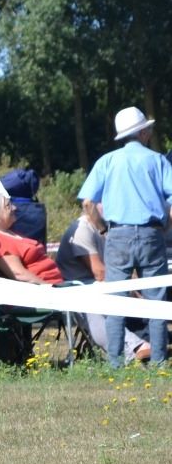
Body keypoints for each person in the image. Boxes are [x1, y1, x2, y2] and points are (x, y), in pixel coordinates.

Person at [78, 106, 172, 369]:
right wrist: (164, 227)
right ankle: (159, 362)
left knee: (115, 300)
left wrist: (104, 230)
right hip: (152, 234)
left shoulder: (106, 161)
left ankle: (116, 363)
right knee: (156, 299)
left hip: (117, 235)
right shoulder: (157, 160)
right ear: (142, 132)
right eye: (149, 129)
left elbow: (88, 203)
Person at [55, 206, 151, 364]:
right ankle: (133, 349)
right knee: (95, 309)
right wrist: (129, 287)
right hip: (77, 289)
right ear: (90, 206)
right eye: (103, 202)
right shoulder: (82, 231)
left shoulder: (101, 230)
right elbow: (99, 271)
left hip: (96, 286)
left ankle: (146, 343)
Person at [0, 191, 63, 285]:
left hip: (55, 284)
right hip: (44, 289)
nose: (14, 208)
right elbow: (18, 274)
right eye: (8, 206)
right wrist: (49, 289)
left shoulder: (6, 232)